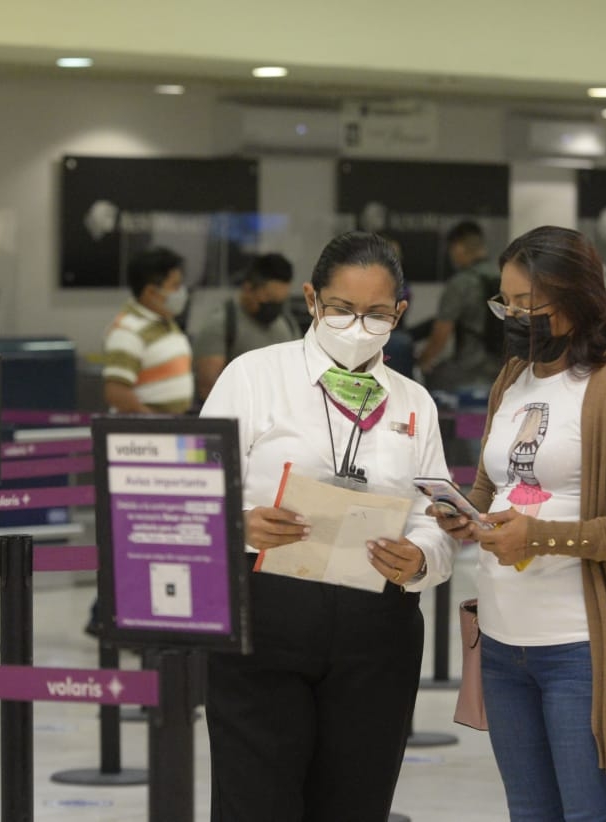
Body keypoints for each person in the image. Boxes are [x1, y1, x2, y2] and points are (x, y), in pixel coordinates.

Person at [432, 225, 606, 821]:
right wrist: (464, 515)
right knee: (530, 814)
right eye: (506, 303)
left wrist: (541, 536)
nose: (516, 318)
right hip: (501, 642)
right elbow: (490, 488)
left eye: (529, 305)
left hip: (583, 650)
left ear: (575, 301)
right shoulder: (513, 378)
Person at [199, 231, 455, 822]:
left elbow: (433, 514)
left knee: (356, 801)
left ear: (400, 313)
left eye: (376, 313)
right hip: (266, 612)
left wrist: (422, 557)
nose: (356, 324)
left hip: (378, 626)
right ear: (312, 300)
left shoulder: (414, 401)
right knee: (254, 800)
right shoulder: (255, 375)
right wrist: (242, 524)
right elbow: (197, 494)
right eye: (341, 309)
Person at [191, 252, 300, 401]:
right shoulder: (220, 326)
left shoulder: (287, 324)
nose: (274, 307)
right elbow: (208, 388)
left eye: (280, 301)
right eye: (268, 298)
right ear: (248, 289)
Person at [101, 246, 195, 414]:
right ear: (151, 291)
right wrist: (154, 423)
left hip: (171, 428)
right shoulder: (128, 331)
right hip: (144, 434)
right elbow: (116, 391)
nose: (181, 292)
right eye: (175, 286)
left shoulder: (166, 322)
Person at [418, 220, 502, 392]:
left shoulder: (460, 283)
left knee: (430, 378)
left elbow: (439, 338)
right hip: (505, 371)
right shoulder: (504, 277)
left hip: (470, 371)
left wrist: (421, 362)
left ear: (458, 248)